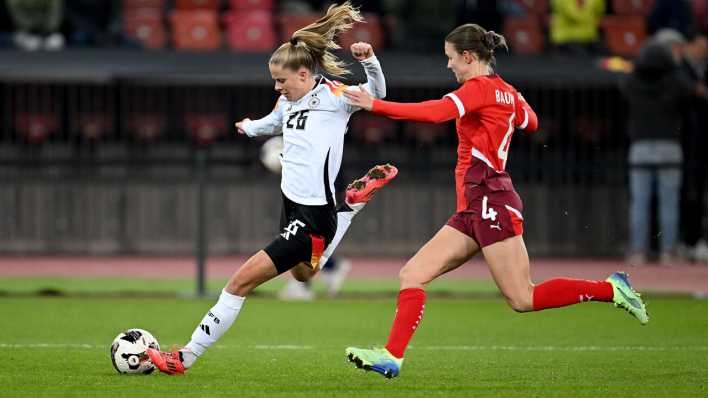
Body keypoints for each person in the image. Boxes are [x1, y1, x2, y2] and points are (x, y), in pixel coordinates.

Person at [342, 23, 649, 379]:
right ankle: (392, 356)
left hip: (490, 197)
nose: (449, 66)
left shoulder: (479, 88)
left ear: (468, 57)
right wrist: (506, 107)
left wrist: (374, 104)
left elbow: (435, 113)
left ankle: (611, 289)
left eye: (451, 58)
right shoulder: (505, 91)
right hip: (475, 204)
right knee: (413, 273)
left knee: (523, 298)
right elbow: (530, 122)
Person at [146, 2, 397, 375]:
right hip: (293, 206)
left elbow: (376, 94)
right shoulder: (287, 100)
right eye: (275, 81)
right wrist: (250, 127)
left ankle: (184, 357)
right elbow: (272, 123)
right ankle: (349, 209)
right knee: (303, 275)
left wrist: (370, 61)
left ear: (303, 73)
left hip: (312, 213)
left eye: (282, 80)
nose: (277, 87)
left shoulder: (335, 96)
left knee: (238, 283)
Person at [621, 39, 707, 266]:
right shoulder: (675, 81)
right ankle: (668, 252)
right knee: (669, 203)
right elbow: (695, 93)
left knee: (639, 203)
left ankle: (638, 252)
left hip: (640, 148)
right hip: (669, 147)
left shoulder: (632, 81)